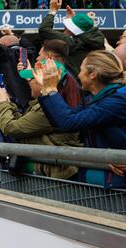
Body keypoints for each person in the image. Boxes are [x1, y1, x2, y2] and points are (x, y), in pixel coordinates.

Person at [35, 52, 126, 188]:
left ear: (93, 74)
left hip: (116, 183)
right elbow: (63, 120)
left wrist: (51, 89)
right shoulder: (90, 99)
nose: (78, 74)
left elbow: (68, 122)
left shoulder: (117, 101)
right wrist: (46, 89)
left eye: (81, 69)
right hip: (99, 179)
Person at [0, 62, 81, 179]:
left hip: (61, 176)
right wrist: (7, 103)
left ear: (44, 82)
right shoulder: (47, 103)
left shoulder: (49, 108)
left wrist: (2, 102)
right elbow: (22, 122)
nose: (28, 82)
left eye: (32, 78)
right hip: (54, 174)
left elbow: (11, 128)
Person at [39, 1, 105, 77]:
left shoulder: (75, 44)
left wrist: (53, 11)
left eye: (69, 28)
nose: (66, 28)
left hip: (73, 84)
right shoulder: (93, 41)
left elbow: (44, 29)